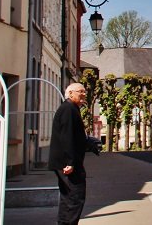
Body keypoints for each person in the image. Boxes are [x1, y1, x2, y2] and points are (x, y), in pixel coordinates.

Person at [48, 83, 89, 224]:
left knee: (68, 197)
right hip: (67, 163)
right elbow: (67, 136)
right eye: (80, 92)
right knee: (75, 197)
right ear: (70, 93)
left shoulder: (71, 108)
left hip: (65, 161)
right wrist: (69, 162)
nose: (84, 94)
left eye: (84, 91)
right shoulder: (68, 109)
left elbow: (74, 136)